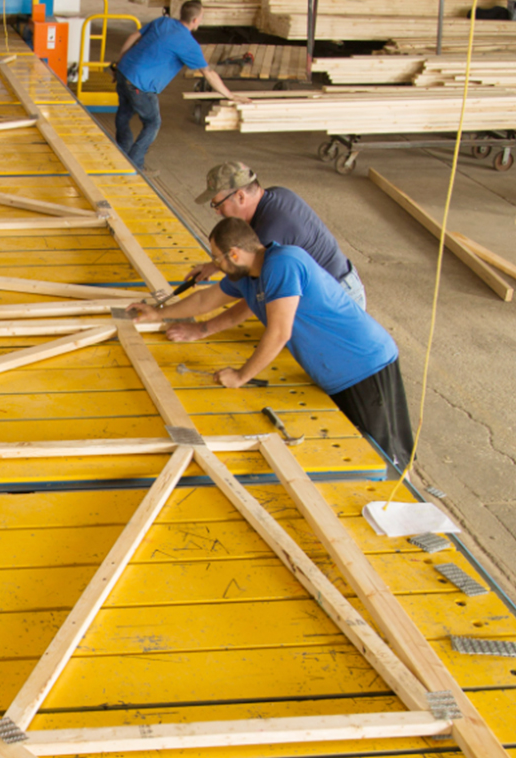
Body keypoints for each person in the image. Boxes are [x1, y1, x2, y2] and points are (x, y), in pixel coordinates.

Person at [127, 217, 414, 471]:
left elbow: (279, 333)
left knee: (387, 457)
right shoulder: (250, 275)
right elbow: (207, 299)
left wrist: (240, 376)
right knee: (359, 446)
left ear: (235, 253)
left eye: (217, 259)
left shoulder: (283, 264)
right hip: (336, 372)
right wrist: (160, 313)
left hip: (364, 366)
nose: (215, 266)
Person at [192, 161, 367, 308]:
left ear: (240, 197)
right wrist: (214, 265)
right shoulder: (276, 195)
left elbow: (250, 296)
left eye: (218, 204)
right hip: (337, 285)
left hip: (340, 299)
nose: (217, 212)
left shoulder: (270, 233)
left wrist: (201, 329)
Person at [110, 0, 249, 170]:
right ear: (195, 20)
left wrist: (119, 62)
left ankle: (122, 154)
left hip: (124, 71)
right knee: (152, 123)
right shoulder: (188, 44)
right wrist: (231, 96)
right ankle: (133, 164)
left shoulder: (163, 22)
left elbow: (133, 37)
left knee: (124, 114)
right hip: (140, 85)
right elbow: (209, 73)